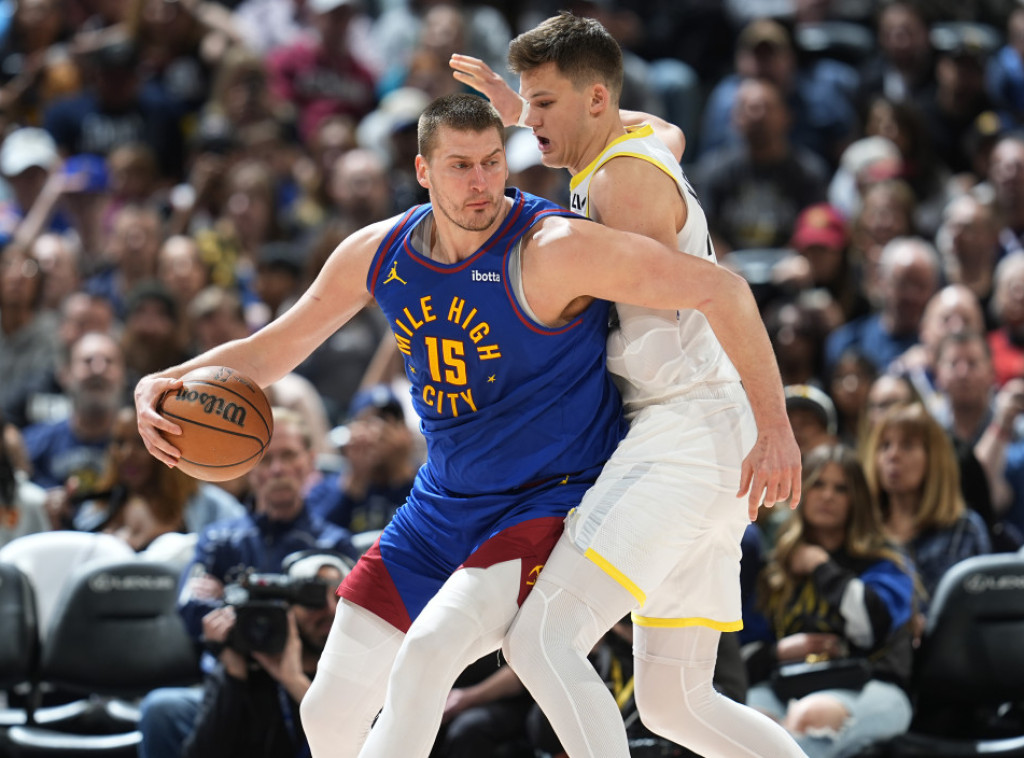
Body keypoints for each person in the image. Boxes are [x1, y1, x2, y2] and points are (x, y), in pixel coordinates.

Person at [133, 92, 799, 758]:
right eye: (460, 166)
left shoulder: (552, 246)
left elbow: (705, 247)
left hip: (547, 501)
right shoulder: (380, 251)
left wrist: (773, 424)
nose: (481, 182)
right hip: (441, 504)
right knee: (329, 712)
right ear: (423, 170)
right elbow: (271, 350)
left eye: (491, 162)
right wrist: (163, 382)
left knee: (428, 657)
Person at [450, 14, 803, 758]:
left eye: (545, 103)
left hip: (686, 434)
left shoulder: (624, 185)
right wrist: (524, 109)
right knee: (676, 703)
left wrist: (777, 426)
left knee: (540, 640)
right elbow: (669, 127)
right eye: (526, 101)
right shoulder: (634, 145)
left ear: (597, 99)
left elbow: (726, 293)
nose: (530, 120)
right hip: (706, 438)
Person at [137, 407, 355, 758]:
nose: (278, 469)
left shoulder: (334, 544)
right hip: (234, 678)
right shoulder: (219, 539)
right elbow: (191, 608)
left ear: (310, 461)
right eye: (266, 459)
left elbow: (347, 624)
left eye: (289, 455)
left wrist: (230, 596)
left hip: (305, 680)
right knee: (161, 711)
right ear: (247, 467)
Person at [744, 443, 916, 758]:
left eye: (841, 489)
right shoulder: (778, 569)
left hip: (872, 686)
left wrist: (821, 567)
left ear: (857, 499)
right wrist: (779, 651)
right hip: (785, 684)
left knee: (810, 717)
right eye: (818, 484)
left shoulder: (886, 562)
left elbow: (870, 628)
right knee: (746, 722)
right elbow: (742, 652)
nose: (827, 496)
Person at [181, 552, 351, 758]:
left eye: (340, 598)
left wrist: (294, 682)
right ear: (289, 607)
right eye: (314, 599)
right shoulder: (251, 663)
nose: (331, 610)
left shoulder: (355, 672)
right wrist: (234, 677)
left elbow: (356, 745)